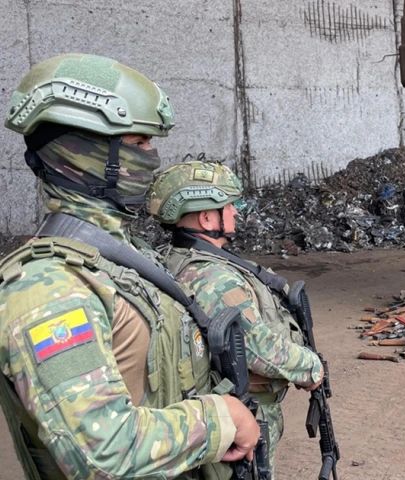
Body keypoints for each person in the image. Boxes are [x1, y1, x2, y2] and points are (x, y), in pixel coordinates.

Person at [0, 53, 260, 479]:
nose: (152, 159)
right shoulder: (47, 288)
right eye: (139, 144)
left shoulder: (119, 257)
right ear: (85, 153)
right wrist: (221, 418)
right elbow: (102, 451)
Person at [149, 161, 324, 477]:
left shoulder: (174, 259)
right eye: (230, 206)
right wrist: (309, 366)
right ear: (206, 217)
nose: (236, 213)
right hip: (242, 412)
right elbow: (257, 347)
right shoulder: (213, 277)